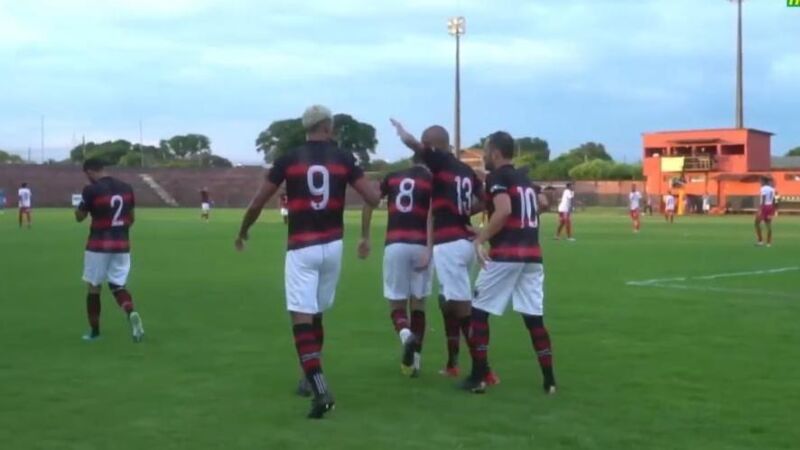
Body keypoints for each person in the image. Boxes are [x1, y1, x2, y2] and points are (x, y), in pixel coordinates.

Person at [235, 105, 380, 419]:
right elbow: (372, 197)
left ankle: (319, 388)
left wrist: (243, 230)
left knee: (301, 315)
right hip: (334, 246)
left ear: (307, 128)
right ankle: (310, 376)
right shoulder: (343, 158)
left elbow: (259, 200)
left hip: (302, 246)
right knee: (316, 313)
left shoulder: (290, 159)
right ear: (327, 126)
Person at [390, 119, 499, 385]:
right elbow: (484, 199)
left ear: (431, 146)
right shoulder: (465, 170)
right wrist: (464, 215)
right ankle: (453, 364)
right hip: (465, 243)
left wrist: (403, 132)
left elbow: (413, 143)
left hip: (449, 244)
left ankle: (483, 372)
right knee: (447, 302)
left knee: (462, 310)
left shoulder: (439, 163)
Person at [461, 131, 556, 395]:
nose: (483, 158)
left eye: (485, 153)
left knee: (478, 312)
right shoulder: (524, 179)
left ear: (495, 153)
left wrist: (480, 238)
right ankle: (549, 381)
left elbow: (503, 211)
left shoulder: (497, 178)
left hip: (507, 254)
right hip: (532, 256)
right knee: (533, 318)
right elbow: (544, 203)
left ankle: (479, 377)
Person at [359, 153, 433, 377]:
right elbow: (433, 215)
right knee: (418, 303)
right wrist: (430, 249)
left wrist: (365, 236)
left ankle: (404, 334)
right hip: (420, 244)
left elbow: (370, 202)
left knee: (396, 302)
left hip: (395, 244)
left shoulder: (392, 177)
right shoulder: (432, 180)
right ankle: (415, 363)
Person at [75, 159, 145, 343]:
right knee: (117, 285)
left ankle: (94, 332)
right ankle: (131, 312)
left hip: (98, 244)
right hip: (122, 244)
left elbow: (79, 217)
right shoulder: (126, 187)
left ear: (90, 171)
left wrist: (83, 206)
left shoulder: (91, 189)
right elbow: (132, 217)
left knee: (94, 287)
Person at [755, 178, 776, 247]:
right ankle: (768, 243)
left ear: (764, 182)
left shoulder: (763, 188)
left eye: (760, 181)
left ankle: (760, 241)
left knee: (757, 223)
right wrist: (773, 210)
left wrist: (760, 209)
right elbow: (773, 200)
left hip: (764, 207)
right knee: (768, 225)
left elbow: (763, 199)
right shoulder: (772, 189)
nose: (760, 183)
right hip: (770, 207)